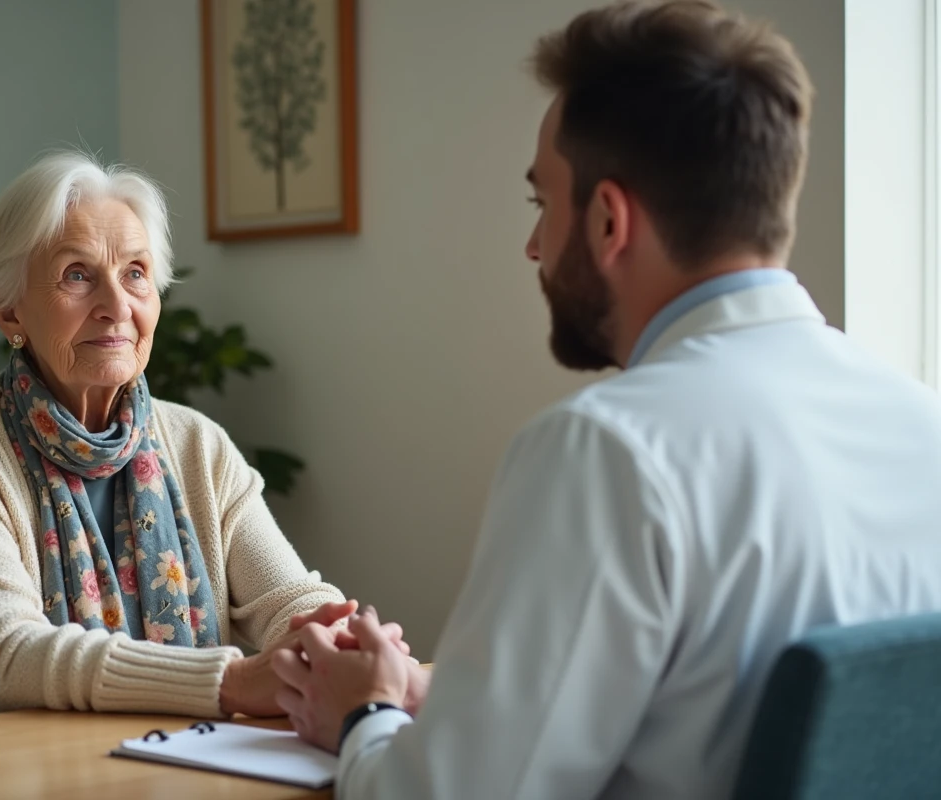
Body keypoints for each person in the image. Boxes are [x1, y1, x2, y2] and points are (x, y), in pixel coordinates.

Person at [271, 1, 941, 797]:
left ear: (608, 219)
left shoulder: (610, 452)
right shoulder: (921, 424)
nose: (532, 246)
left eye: (541, 204)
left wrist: (365, 714)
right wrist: (444, 703)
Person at [0, 151, 405, 723]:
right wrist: (233, 681)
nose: (117, 307)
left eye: (135, 274)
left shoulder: (197, 443)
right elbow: (8, 655)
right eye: (77, 275)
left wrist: (348, 642)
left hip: (175, 755)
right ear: (8, 312)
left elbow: (287, 600)